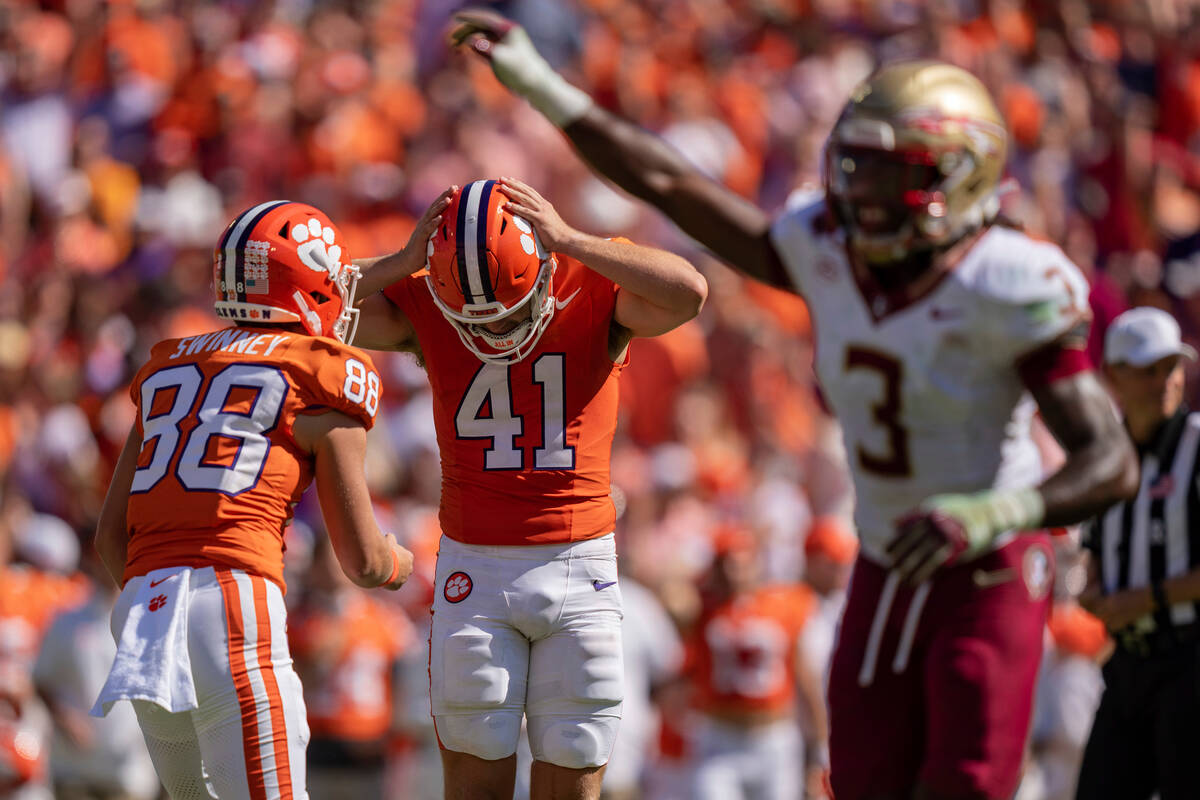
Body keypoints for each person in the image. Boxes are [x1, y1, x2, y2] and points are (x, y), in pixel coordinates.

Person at [449, 14, 1139, 799]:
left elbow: (1109, 457)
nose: (865, 195)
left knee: (968, 785)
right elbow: (672, 186)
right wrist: (542, 85)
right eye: (859, 168)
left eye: (894, 173)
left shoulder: (1009, 279)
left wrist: (992, 513)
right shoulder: (828, 251)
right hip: (887, 556)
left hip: (990, 565)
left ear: (963, 175)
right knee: (862, 781)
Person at [351, 177, 707, 800]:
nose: (498, 332)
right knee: (473, 785)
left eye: (514, 309)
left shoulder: (586, 278)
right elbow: (300, 300)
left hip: (579, 562)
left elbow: (690, 292)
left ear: (546, 258)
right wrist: (403, 263)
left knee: (575, 782)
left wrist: (572, 239)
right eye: (477, 317)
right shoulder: (426, 295)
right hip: (475, 567)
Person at [90, 200, 415, 800]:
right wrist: (402, 563)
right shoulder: (323, 373)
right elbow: (363, 562)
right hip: (235, 601)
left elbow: (112, 539)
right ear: (312, 284)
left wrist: (163, 596)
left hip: (141, 611)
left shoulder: (167, 368)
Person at [1076, 307, 1200, 800]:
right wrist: (1088, 587)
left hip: (1190, 661)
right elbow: (1093, 548)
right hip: (1127, 664)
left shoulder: (1197, 444)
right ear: (1114, 377)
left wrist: (1145, 598)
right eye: (1149, 369)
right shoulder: (1106, 456)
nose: (1165, 381)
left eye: (1170, 367)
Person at [683, 525, 828, 800]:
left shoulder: (786, 604)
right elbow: (673, 596)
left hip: (773, 737)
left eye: (742, 562)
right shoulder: (702, 607)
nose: (735, 572)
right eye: (727, 563)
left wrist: (820, 744)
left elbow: (805, 678)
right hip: (720, 736)